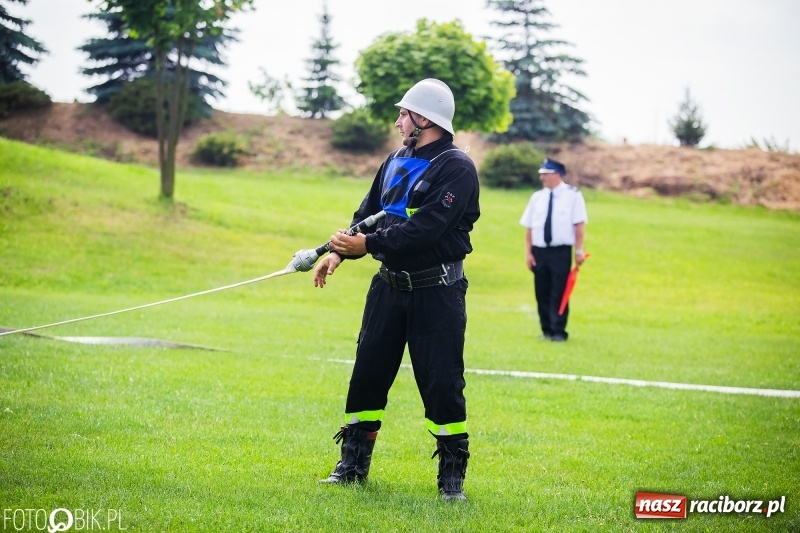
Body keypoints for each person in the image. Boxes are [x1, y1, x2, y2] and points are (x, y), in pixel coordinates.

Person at [312, 78, 479, 502]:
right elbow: (370, 213)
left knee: (441, 382)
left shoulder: (457, 167)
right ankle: (351, 465)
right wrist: (341, 252)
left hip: (436, 292)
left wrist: (366, 245)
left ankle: (451, 478)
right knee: (367, 374)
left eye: (404, 114)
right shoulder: (395, 159)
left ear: (424, 119)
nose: (398, 121)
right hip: (388, 288)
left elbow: (425, 229)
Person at [519, 158, 588, 342]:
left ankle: (558, 330)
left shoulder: (573, 196)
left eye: (546, 174)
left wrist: (579, 250)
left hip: (560, 251)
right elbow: (529, 228)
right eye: (542, 175)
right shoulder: (537, 197)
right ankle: (546, 329)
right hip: (539, 251)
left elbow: (579, 225)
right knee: (541, 291)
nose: (542, 178)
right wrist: (528, 252)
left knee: (559, 290)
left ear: (557, 175)